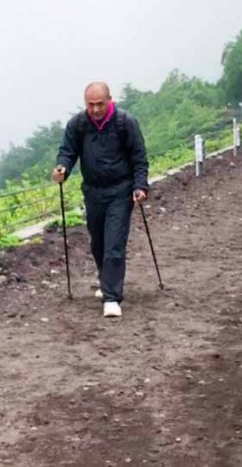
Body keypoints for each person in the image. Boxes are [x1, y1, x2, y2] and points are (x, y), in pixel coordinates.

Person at [53, 82, 149, 319]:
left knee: (114, 243)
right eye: (90, 105)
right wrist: (62, 167)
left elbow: (139, 157)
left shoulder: (125, 122)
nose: (95, 109)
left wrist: (140, 186)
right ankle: (106, 280)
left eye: (99, 104)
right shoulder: (78, 124)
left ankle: (112, 298)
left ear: (109, 100)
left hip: (120, 190)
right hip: (93, 191)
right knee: (98, 243)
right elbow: (68, 151)